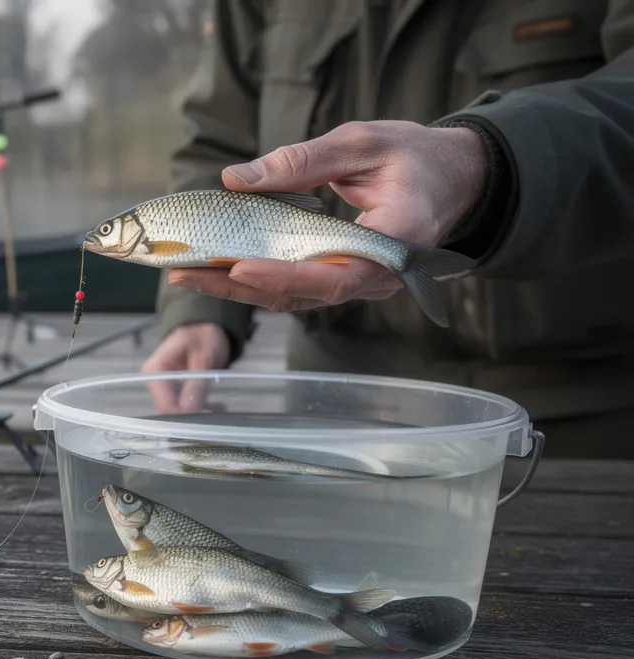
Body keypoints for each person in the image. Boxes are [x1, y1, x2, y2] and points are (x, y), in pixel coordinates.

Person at [145, 0, 634, 458]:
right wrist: (200, 310)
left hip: (578, 415)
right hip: (332, 404)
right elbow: (221, 140)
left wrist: (484, 166)